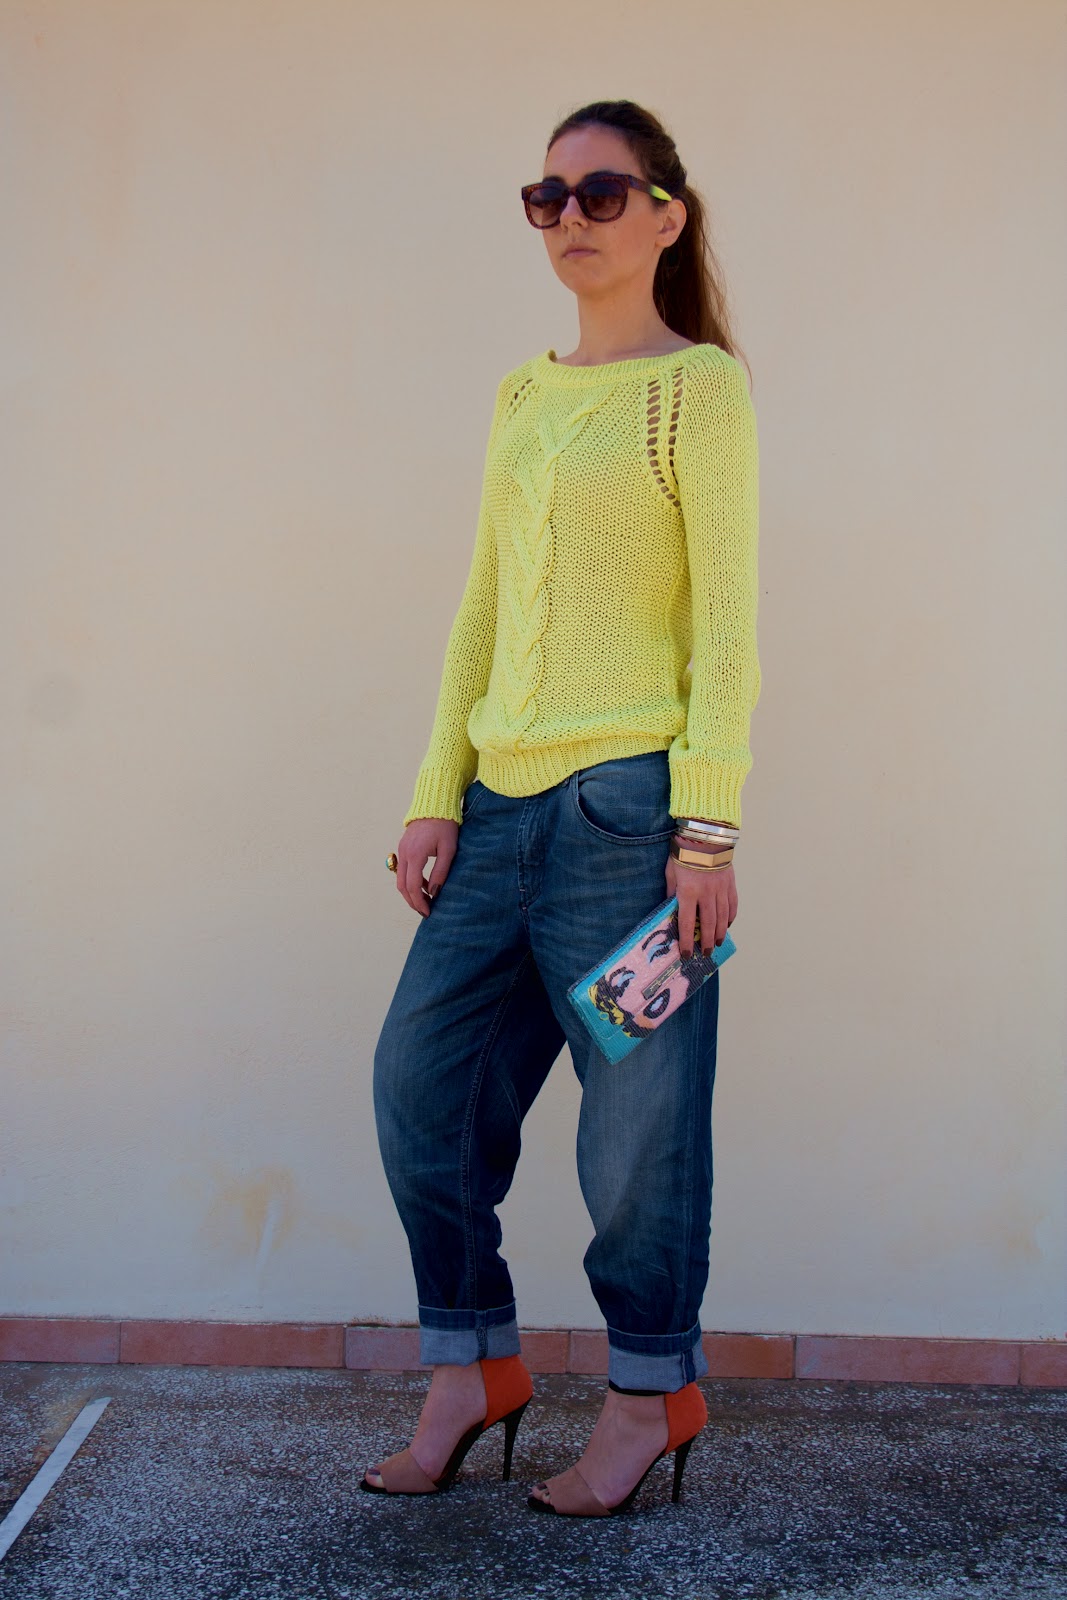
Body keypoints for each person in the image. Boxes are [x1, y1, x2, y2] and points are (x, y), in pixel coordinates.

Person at [362, 97, 761, 1518]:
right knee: (419, 1087)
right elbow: (481, 606)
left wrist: (705, 829)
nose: (571, 218)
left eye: (602, 192)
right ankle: (473, 1367)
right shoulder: (522, 398)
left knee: (635, 1135)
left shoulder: (698, 391)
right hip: (495, 814)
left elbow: (728, 626)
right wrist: (436, 794)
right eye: (548, 196)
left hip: (626, 827)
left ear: (666, 214)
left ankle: (649, 1395)